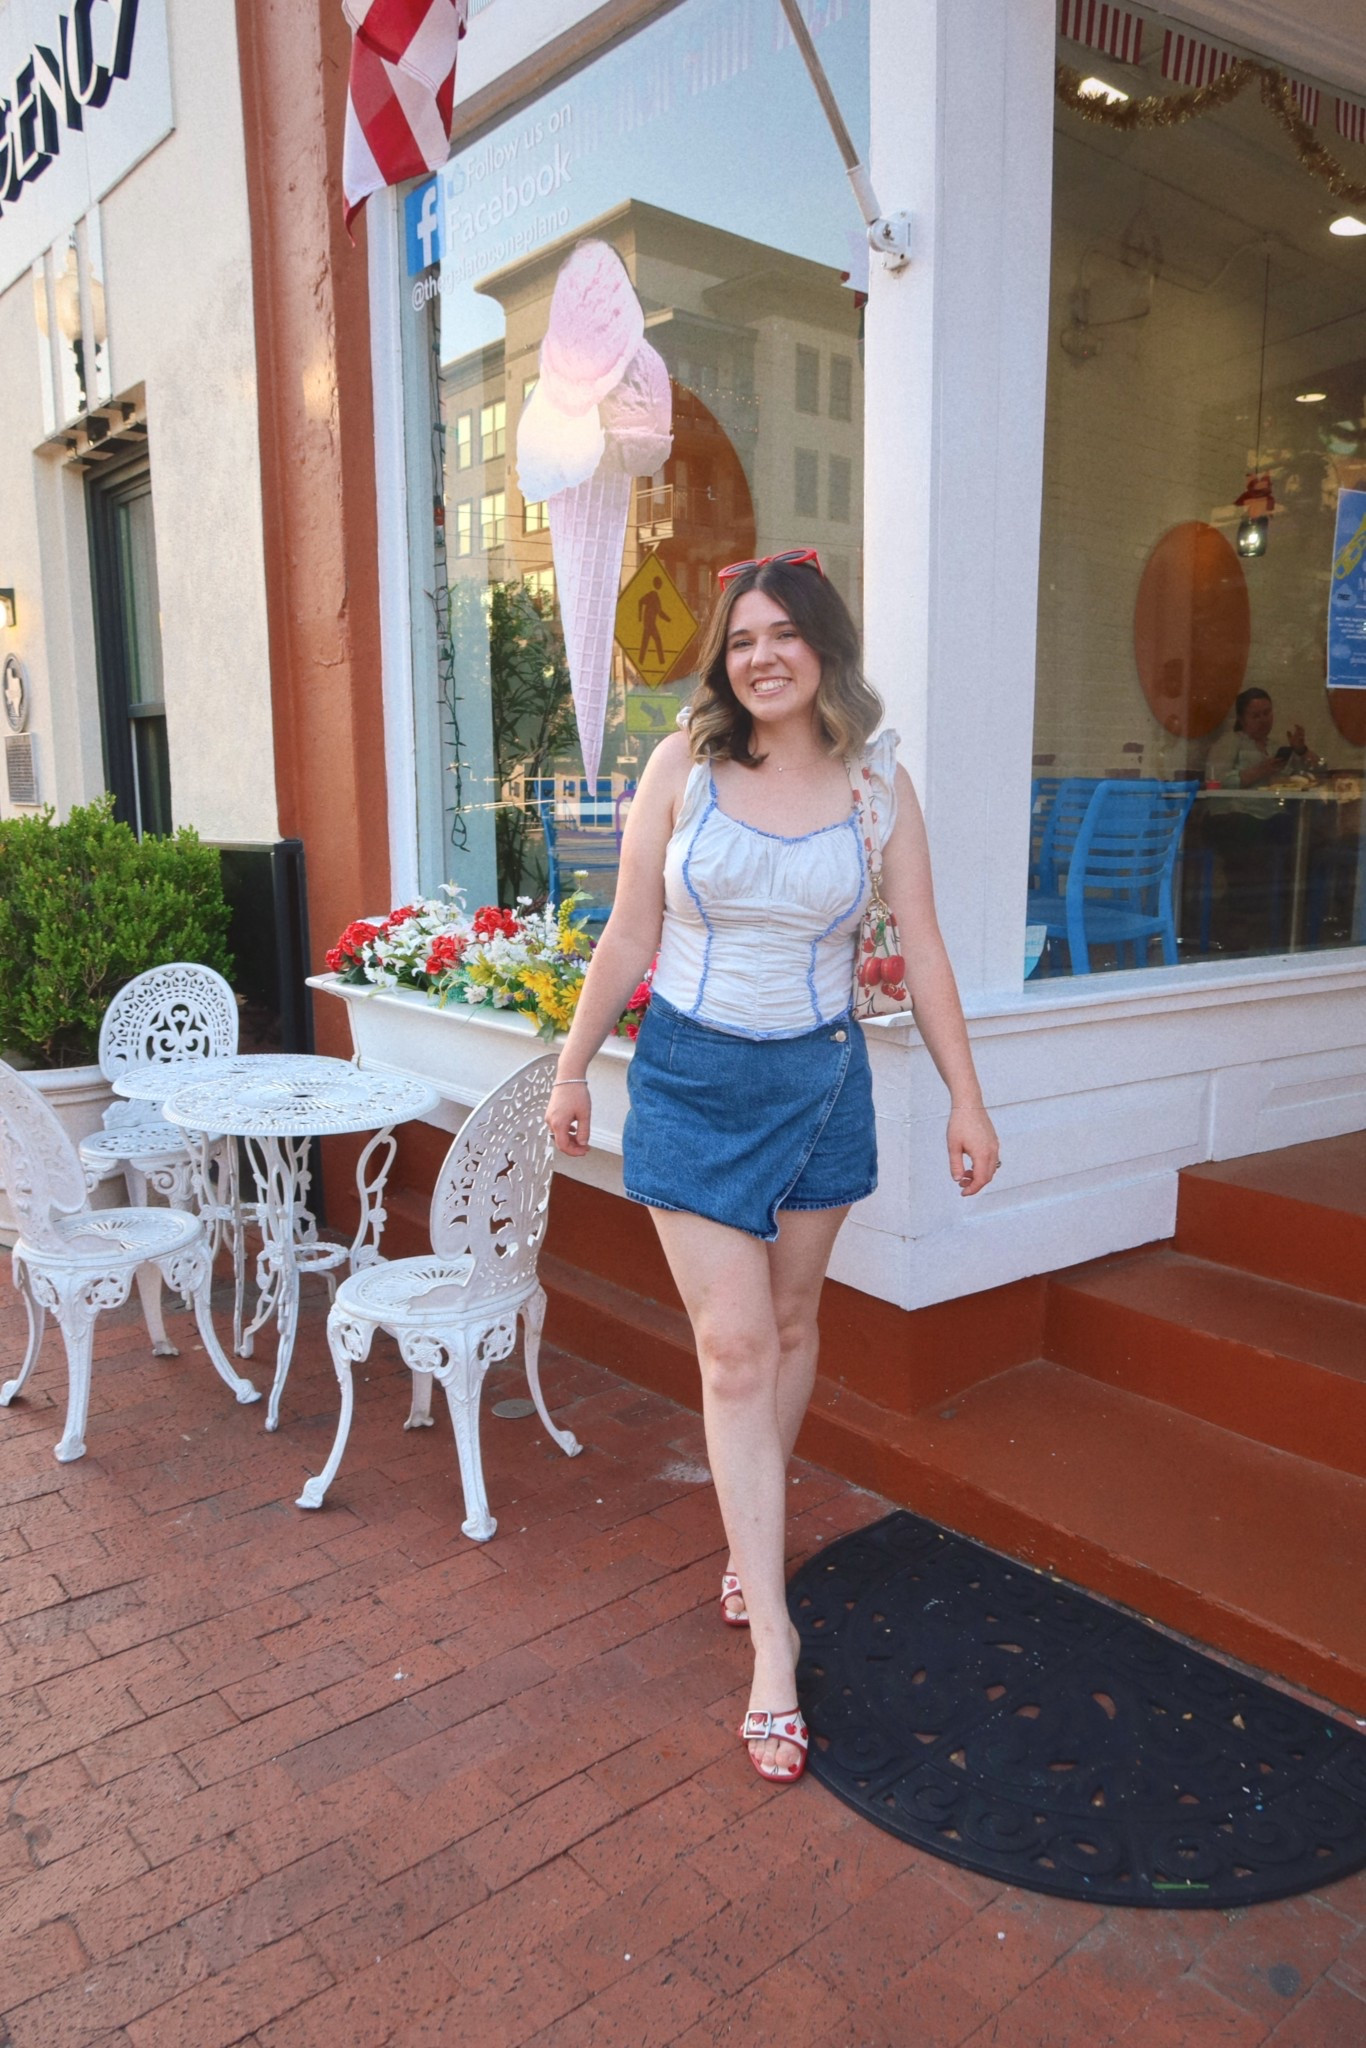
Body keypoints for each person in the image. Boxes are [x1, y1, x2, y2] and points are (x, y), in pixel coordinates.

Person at [545, 549, 1000, 1785]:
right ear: (723, 660)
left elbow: (924, 944)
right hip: (689, 1082)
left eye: (783, 633)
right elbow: (629, 928)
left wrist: (966, 1095)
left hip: (819, 1085)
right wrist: (573, 1067)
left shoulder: (876, 785)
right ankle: (774, 1644)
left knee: (793, 1325)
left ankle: (750, 1545)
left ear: (823, 647)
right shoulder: (681, 766)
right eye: (741, 639)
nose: (761, 656)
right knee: (737, 1348)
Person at [1204, 687, 1322, 950]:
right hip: (1233, 815)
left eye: (1267, 713)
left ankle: (1300, 918)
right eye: (1255, 715)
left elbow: (1313, 773)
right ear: (1242, 718)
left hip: (1270, 815)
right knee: (1253, 852)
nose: (1263, 720)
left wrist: (1301, 750)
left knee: (1311, 840)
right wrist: (1258, 771)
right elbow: (1216, 781)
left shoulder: (1275, 747)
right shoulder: (1230, 742)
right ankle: (1244, 926)